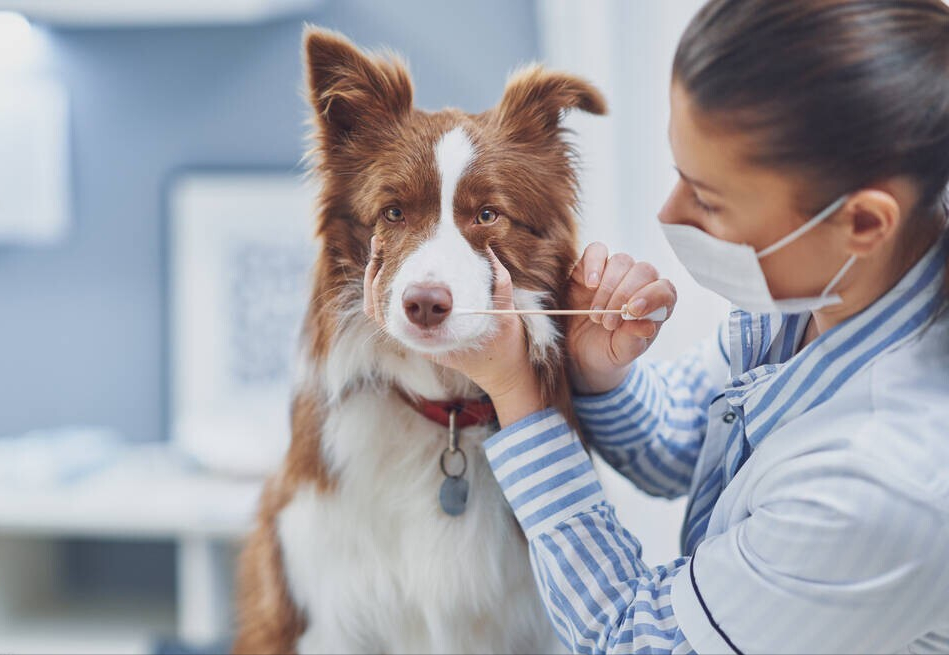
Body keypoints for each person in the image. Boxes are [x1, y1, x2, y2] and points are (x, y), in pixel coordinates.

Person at [365, 0, 949, 652]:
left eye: (707, 198)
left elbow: (634, 638)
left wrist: (518, 394)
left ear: (863, 223)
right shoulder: (827, 297)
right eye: (680, 174)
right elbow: (685, 446)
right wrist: (600, 374)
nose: (669, 212)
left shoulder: (888, 485)